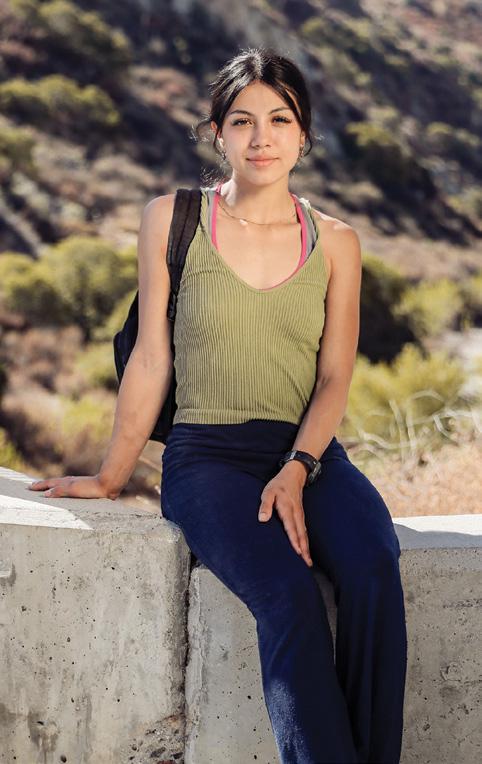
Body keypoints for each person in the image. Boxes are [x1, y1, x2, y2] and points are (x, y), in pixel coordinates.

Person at [28, 47, 408, 764]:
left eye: (279, 120)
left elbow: (334, 379)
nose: (261, 138)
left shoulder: (338, 243)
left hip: (310, 455)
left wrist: (298, 466)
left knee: (374, 568)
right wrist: (110, 477)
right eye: (242, 121)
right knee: (289, 597)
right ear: (216, 133)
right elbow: (151, 359)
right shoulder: (172, 219)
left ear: (304, 134)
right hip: (208, 461)